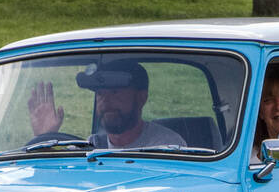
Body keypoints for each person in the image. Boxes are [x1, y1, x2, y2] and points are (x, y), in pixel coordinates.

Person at [26, 59, 186, 149]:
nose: (106, 100)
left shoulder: (166, 145)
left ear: (141, 98)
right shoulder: (91, 146)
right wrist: (44, 137)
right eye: (100, 93)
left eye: (115, 92)